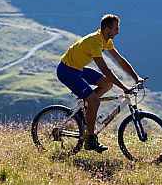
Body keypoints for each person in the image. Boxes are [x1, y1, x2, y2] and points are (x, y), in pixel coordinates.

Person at [56, 14, 144, 153]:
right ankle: (90, 139)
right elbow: (105, 69)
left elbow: (120, 60)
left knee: (107, 83)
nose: (118, 32)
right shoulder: (95, 42)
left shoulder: (106, 40)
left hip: (78, 69)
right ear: (107, 29)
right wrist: (125, 88)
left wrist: (136, 77)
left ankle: (86, 107)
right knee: (95, 102)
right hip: (67, 71)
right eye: (116, 29)